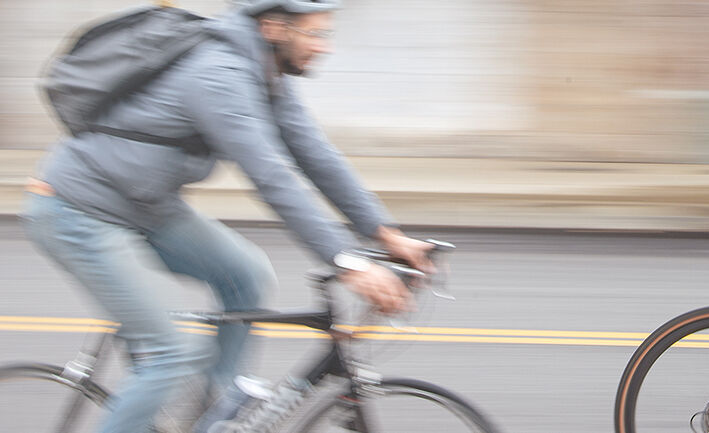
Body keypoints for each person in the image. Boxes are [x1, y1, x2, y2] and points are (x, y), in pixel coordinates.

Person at [20, 1, 433, 432]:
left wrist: (386, 234)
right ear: (274, 28)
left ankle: (212, 411)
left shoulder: (263, 72)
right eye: (314, 34)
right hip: (78, 211)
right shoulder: (217, 74)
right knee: (173, 352)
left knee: (247, 275)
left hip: (141, 205)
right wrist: (347, 262)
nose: (324, 47)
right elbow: (272, 177)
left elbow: (315, 154)